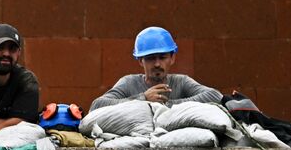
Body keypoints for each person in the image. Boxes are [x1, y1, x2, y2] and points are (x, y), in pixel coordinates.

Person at [89, 26, 223, 112]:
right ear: (141, 61)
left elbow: (215, 96)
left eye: (162, 57)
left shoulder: (181, 82)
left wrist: (167, 105)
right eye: (151, 58)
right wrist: (143, 99)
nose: (157, 64)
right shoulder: (129, 83)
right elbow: (97, 105)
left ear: (172, 58)